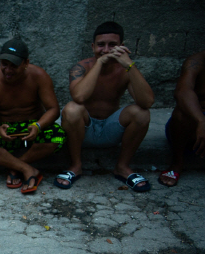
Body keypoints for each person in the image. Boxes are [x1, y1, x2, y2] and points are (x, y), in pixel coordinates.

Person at [54, 21, 155, 192]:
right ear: (93, 46)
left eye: (112, 45)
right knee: (71, 109)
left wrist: (129, 64)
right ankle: (76, 166)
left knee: (141, 113)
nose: (106, 50)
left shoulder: (126, 69)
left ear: (121, 46)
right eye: (101, 45)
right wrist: (100, 63)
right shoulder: (81, 67)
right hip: (84, 130)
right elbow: (79, 96)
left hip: (111, 128)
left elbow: (147, 102)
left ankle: (122, 167)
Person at [0, 39, 65, 194]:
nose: (8, 70)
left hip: (33, 129)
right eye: (4, 64)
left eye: (13, 65)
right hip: (7, 131)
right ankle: (27, 169)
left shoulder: (39, 76)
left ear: (26, 62)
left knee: (58, 135)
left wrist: (38, 126)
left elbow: (53, 109)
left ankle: (15, 168)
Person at [158, 51, 205, 187]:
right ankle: (177, 163)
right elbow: (182, 91)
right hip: (195, 124)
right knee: (181, 112)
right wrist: (201, 121)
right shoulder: (196, 61)